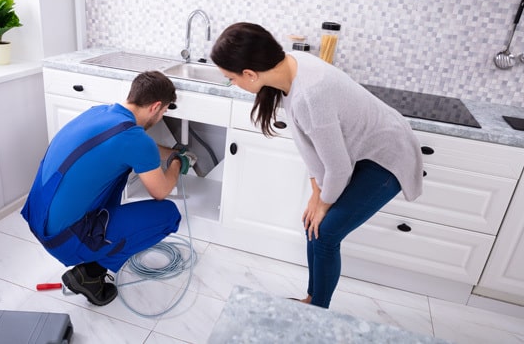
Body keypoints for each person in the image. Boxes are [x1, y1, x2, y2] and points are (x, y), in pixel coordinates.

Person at [210, 22, 423, 308]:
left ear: (249, 74)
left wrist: (322, 203)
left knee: (325, 232)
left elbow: (338, 169)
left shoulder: (310, 94)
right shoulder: (288, 67)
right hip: (360, 150)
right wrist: (316, 193)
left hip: (388, 155)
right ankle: (311, 299)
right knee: (314, 225)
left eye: (231, 78)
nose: (232, 84)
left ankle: (316, 311)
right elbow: (312, 149)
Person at [21, 71, 196, 306]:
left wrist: (170, 152)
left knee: (114, 174)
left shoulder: (99, 114)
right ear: (155, 106)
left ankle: (93, 251)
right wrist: (177, 163)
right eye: (164, 110)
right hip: (65, 240)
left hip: (40, 221)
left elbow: (139, 146)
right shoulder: (135, 139)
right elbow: (160, 191)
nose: (163, 114)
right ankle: (90, 275)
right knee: (168, 215)